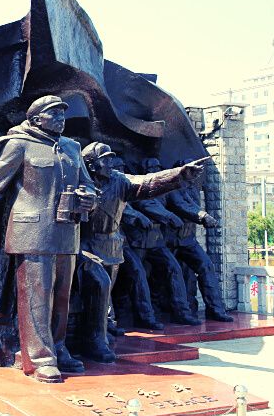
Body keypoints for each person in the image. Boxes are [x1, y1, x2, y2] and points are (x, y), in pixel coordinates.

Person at [0, 95, 96, 383]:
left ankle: (59, 347)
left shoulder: (72, 148)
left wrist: (88, 197)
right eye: (53, 114)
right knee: (37, 297)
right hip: (31, 231)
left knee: (62, 296)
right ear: (36, 118)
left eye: (62, 114)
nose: (61, 118)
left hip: (66, 231)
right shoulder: (19, 144)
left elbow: (88, 184)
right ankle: (40, 358)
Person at [75, 142, 205, 363]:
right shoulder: (78, 179)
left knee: (103, 294)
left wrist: (179, 176)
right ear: (91, 165)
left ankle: (100, 332)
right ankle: (93, 340)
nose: (111, 163)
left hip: (111, 246)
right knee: (99, 284)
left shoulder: (119, 180)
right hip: (84, 246)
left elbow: (148, 182)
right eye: (105, 159)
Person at [130, 158, 201, 325]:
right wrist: (169, 217)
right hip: (137, 242)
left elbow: (179, 203)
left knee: (173, 268)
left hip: (157, 241)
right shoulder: (136, 186)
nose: (155, 170)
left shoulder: (165, 190)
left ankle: (182, 312)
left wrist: (200, 215)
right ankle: (141, 317)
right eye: (151, 167)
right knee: (135, 277)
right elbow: (146, 205)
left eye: (157, 167)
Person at [164, 159, 232, 322]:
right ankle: (182, 313)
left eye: (197, 171)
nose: (196, 173)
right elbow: (181, 205)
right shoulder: (170, 186)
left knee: (206, 266)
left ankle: (216, 309)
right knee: (175, 273)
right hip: (169, 241)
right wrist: (202, 216)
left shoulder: (192, 188)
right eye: (193, 170)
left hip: (188, 240)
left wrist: (203, 216)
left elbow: (190, 205)